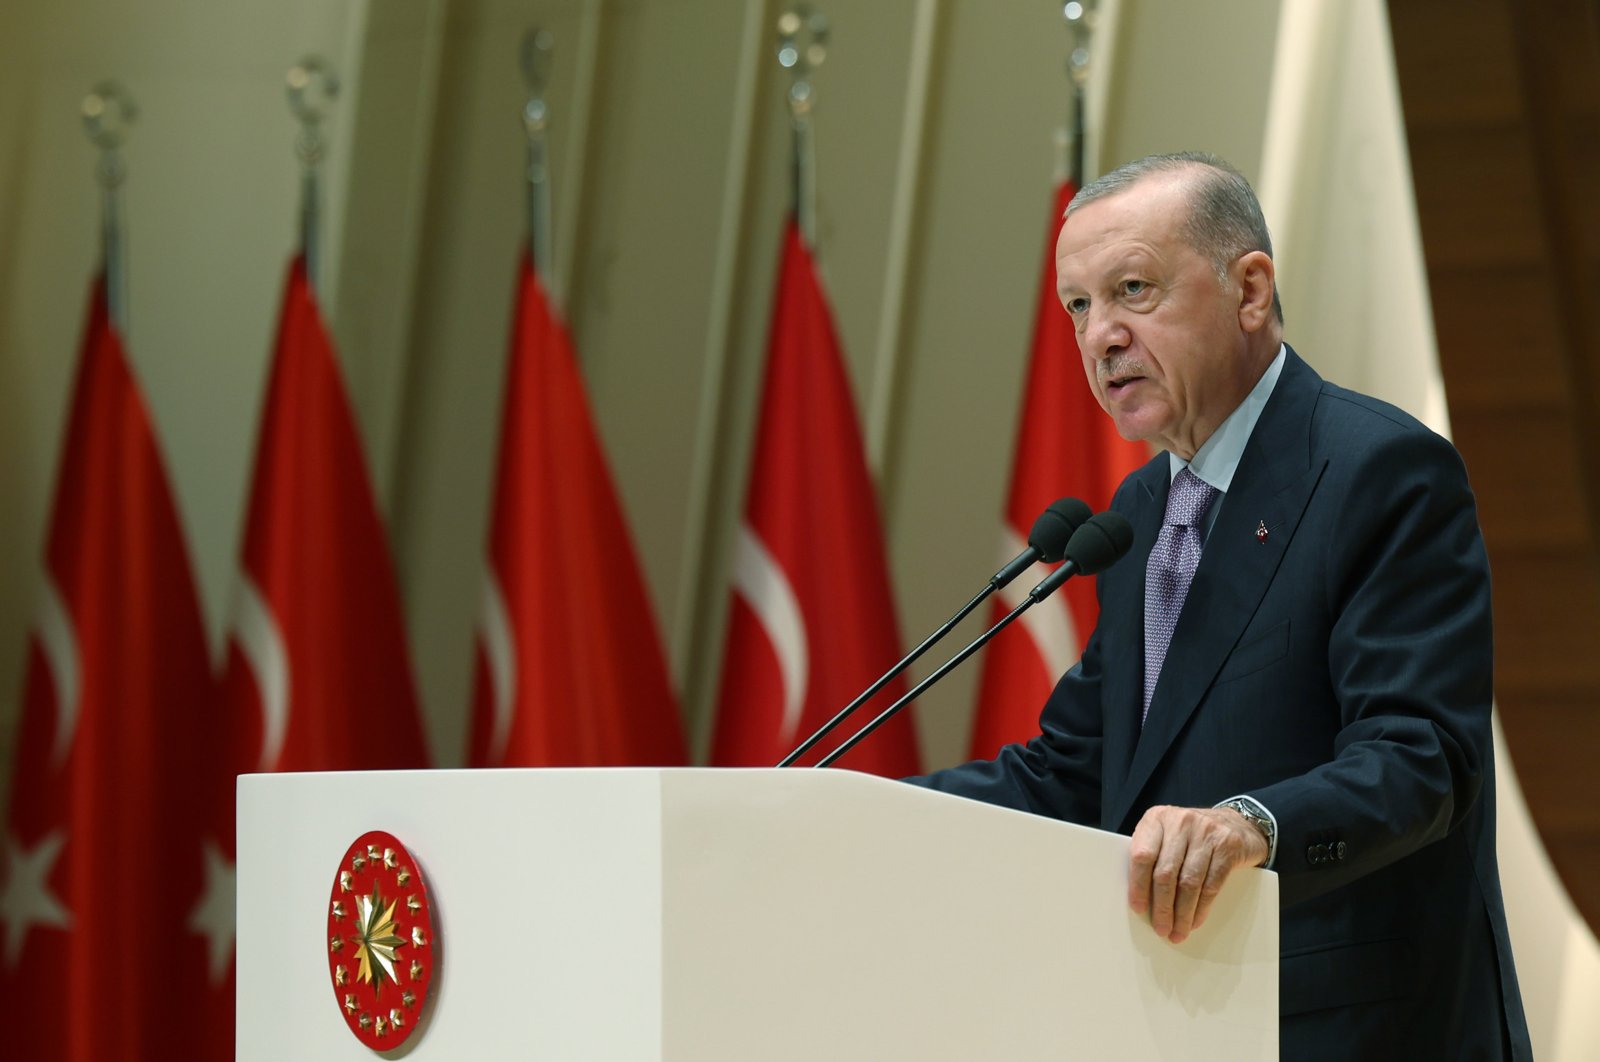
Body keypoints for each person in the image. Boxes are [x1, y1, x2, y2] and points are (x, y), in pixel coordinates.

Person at [909, 152, 1531, 1059]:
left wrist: (1253, 826)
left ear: (1249, 290)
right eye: (1079, 307)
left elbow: (1422, 758)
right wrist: (847, 809)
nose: (1099, 338)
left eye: (1132, 290)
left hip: (1360, 1029)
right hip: (1181, 1027)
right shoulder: (1139, 517)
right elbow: (1074, 778)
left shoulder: (1378, 472)